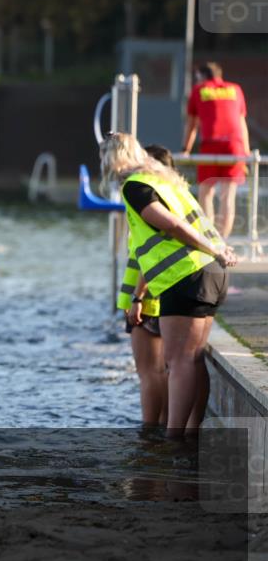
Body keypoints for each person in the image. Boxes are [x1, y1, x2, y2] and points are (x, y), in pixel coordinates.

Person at [101, 132, 236, 436]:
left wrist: (214, 250)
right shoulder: (168, 181)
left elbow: (171, 225)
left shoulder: (135, 186)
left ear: (112, 160)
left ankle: (173, 439)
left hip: (184, 275)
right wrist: (217, 250)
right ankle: (189, 434)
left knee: (178, 361)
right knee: (193, 357)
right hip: (211, 273)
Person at [117, 144, 175, 427]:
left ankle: (150, 432)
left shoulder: (147, 204)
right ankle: (163, 426)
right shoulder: (172, 200)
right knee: (161, 370)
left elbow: (146, 256)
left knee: (149, 372)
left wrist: (137, 298)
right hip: (165, 295)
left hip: (148, 299)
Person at [183, 62, 251, 240]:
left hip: (211, 145)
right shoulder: (235, 89)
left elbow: (192, 125)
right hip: (235, 146)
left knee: (206, 192)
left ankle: (209, 238)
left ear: (202, 76)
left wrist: (186, 149)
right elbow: (241, 122)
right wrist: (246, 151)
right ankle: (222, 239)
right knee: (228, 196)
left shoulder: (199, 90)